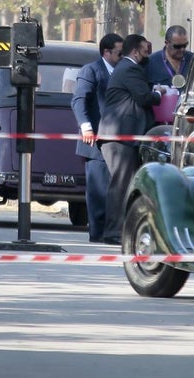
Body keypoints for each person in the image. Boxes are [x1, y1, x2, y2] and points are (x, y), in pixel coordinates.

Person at [98, 34, 161, 245]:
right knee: (121, 184)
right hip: (119, 135)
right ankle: (113, 232)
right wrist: (159, 93)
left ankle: (120, 230)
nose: (147, 56)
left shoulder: (126, 68)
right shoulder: (130, 68)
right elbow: (143, 96)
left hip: (122, 136)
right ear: (135, 52)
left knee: (126, 183)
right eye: (145, 52)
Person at [70, 33, 123, 243]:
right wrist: (86, 128)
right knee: (98, 189)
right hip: (95, 142)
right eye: (119, 53)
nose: (122, 56)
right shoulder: (91, 71)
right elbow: (79, 100)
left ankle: (112, 232)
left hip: (117, 140)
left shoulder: (123, 71)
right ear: (106, 52)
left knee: (114, 188)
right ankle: (98, 233)